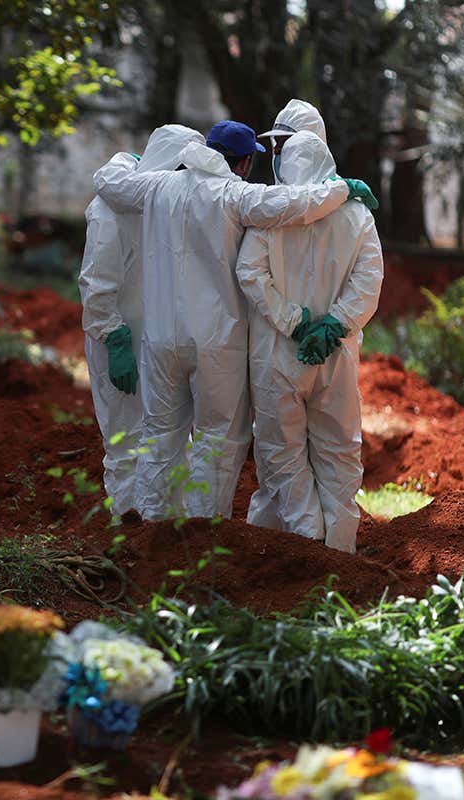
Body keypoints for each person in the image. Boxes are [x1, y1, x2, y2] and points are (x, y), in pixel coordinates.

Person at [91, 120, 377, 522]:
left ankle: (154, 535)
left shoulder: (156, 187)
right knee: (216, 440)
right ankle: (203, 536)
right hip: (215, 344)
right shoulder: (234, 194)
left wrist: (125, 160)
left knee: (160, 437)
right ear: (243, 164)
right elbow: (293, 205)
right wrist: (343, 188)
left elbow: (108, 183)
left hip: (159, 343)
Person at [236, 131, 383, 553]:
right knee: (338, 452)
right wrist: (332, 327)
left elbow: (251, 274)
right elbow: (368, 282)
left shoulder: (273, 215)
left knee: (280, 452)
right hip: (335, 357)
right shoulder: (358, 217)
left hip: (276, 354)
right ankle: (338, 550)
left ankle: (302, 539)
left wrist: (294, 323)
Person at [79, 124, 204, 519]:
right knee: (124, 440)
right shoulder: (109, 211)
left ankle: (166, 529)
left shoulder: (165, 206)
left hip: (156, 339)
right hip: (118, 341)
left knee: (167, 440)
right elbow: (96, 284)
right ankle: (129, 530)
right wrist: (112, 336)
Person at [260, 98, 327, 182]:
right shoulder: (279, 193)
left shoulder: (335, 189)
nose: (276, 150)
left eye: (285, 143)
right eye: (276, 142)